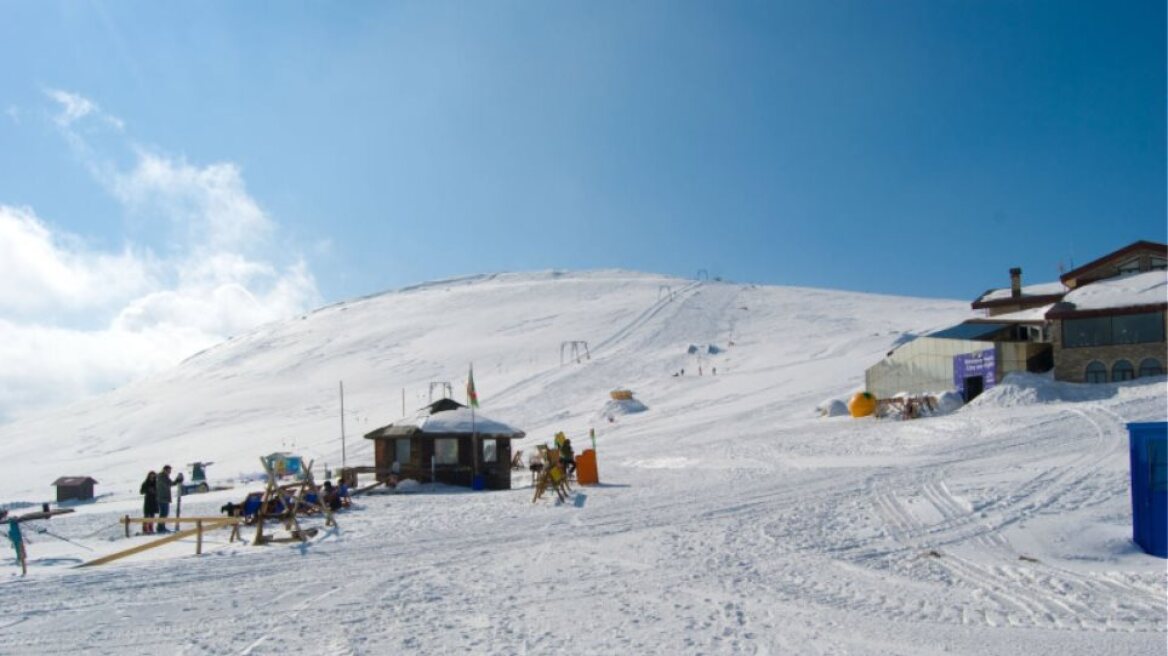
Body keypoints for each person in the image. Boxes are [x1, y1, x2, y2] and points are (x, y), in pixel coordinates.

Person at [155, 465, 182, 533]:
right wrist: (177, 480)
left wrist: (177, 481)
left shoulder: (164, 476)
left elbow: (171, 483)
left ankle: (162, 526)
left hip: (164, 497)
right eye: (169, 471)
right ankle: (160, 527)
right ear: (165, 470)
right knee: (163, 513)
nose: (169, 472)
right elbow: (170, 483)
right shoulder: (162, 476)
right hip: (162, 498)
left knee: (164, 513)